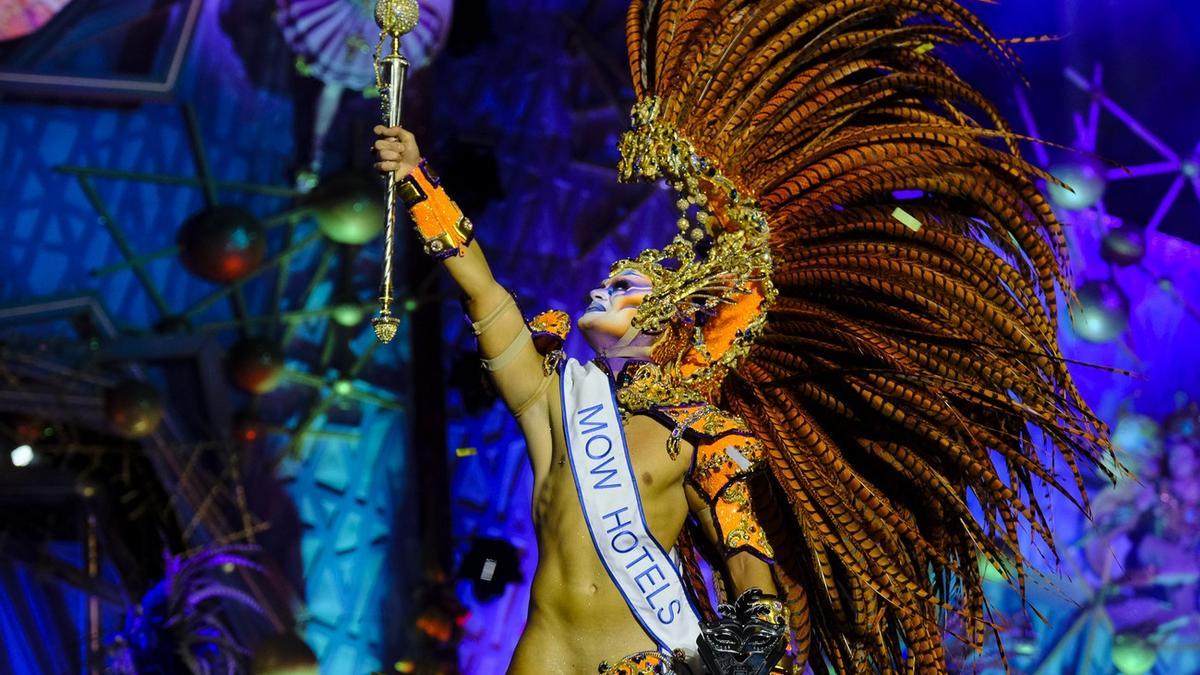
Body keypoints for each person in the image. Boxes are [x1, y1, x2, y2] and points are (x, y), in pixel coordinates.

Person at [374, 1, 1113, 673]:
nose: (602, 287)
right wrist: (416, 178)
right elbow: (485, 292)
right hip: (540, 655)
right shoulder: (557, 402)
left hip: (642, 660)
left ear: (665, 318)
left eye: (625, 287)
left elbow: (741, 551)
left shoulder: (701, 435)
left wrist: (756, 626)